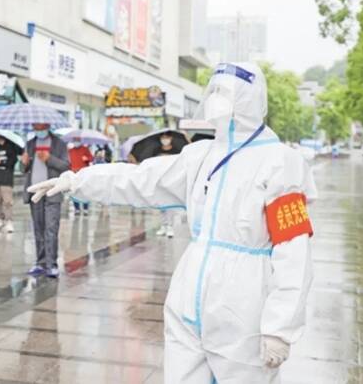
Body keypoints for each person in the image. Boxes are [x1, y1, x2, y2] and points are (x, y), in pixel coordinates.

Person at [29, 62, 316, 382]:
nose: (216, 98)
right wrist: (77, 181)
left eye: (226, 92)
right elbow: (139, 179)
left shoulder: (279, 162)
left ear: (250, 98)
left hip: (244, 304)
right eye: (214, 89)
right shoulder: (201, 156)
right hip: (188, 297)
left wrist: (280, 326)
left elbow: (294, 250)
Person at [22, 123, 69, 278]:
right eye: (36, 126)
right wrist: (24, 163)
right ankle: (40, 263)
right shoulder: (30, 144)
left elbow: (66, 166)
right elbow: (25, 169)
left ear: (48, 125)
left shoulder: (59, 144)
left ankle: (52, 264)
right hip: (35, 192)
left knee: (51, 229)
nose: (38, 129)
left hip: (52, 192)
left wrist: (49, 159)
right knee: (38, 229)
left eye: (41, 126)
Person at [0, 134, 20, 233]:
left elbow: (12, 161)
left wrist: (1, 162)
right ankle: (0, 219)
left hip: (7, 176)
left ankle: (9, 221)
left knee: (7, 201)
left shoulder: (10, 147)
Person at [154, 132, 182, 238]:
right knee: (161, 205)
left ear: (171, 138)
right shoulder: (157, 151)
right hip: (159, 179)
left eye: (167, 137)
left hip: (171, 180)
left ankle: (170, 227)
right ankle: (163, 226)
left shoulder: (176, 151)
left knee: (170, 204)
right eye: (163, 138)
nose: (165, 139)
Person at [68, 139, 93, 216]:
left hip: (83, 174)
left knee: (84, 191)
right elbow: (67, 161)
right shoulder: (70, 151)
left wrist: (87, 158)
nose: (76, 142)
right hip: (73, 173)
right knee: (74, 191)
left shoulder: (85, 149)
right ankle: (77, 208)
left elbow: (91, 158)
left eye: (77, 140)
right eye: (74, 140)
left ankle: (85, 208)